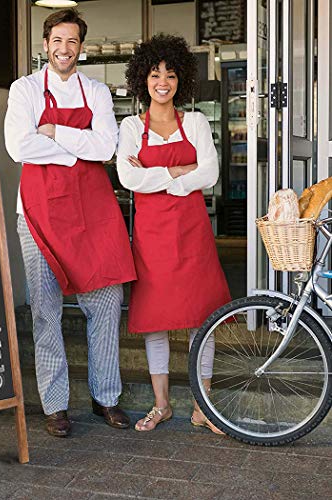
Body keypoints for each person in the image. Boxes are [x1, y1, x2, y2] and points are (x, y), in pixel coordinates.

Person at [5, 9, 136, 437]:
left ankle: (106, 398)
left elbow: (105, 148)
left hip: (92, 212)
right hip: (40, 213)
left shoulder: (96, 90)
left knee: (105, 303)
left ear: (81, 47)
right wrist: (75, 149)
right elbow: (17, 147)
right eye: (57, 41)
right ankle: (55, 405)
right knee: (45, 312)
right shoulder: (24, 89)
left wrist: (55, 133)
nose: (64, 49)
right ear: (46, 45)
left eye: (73, 42)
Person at [116, 34, 231, 433]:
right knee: (156, 319)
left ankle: (204, 408)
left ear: (181, 77)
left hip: (192, 231)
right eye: (154, 73)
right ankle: (162, 404)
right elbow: (128, 177)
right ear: (142, 79)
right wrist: (180, 172)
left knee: (203, 316)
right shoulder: (131, 126)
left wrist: (160, 178)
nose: (162, 80)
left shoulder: (196, 121)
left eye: (169, 72)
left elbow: (211, 173)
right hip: (152, 235)